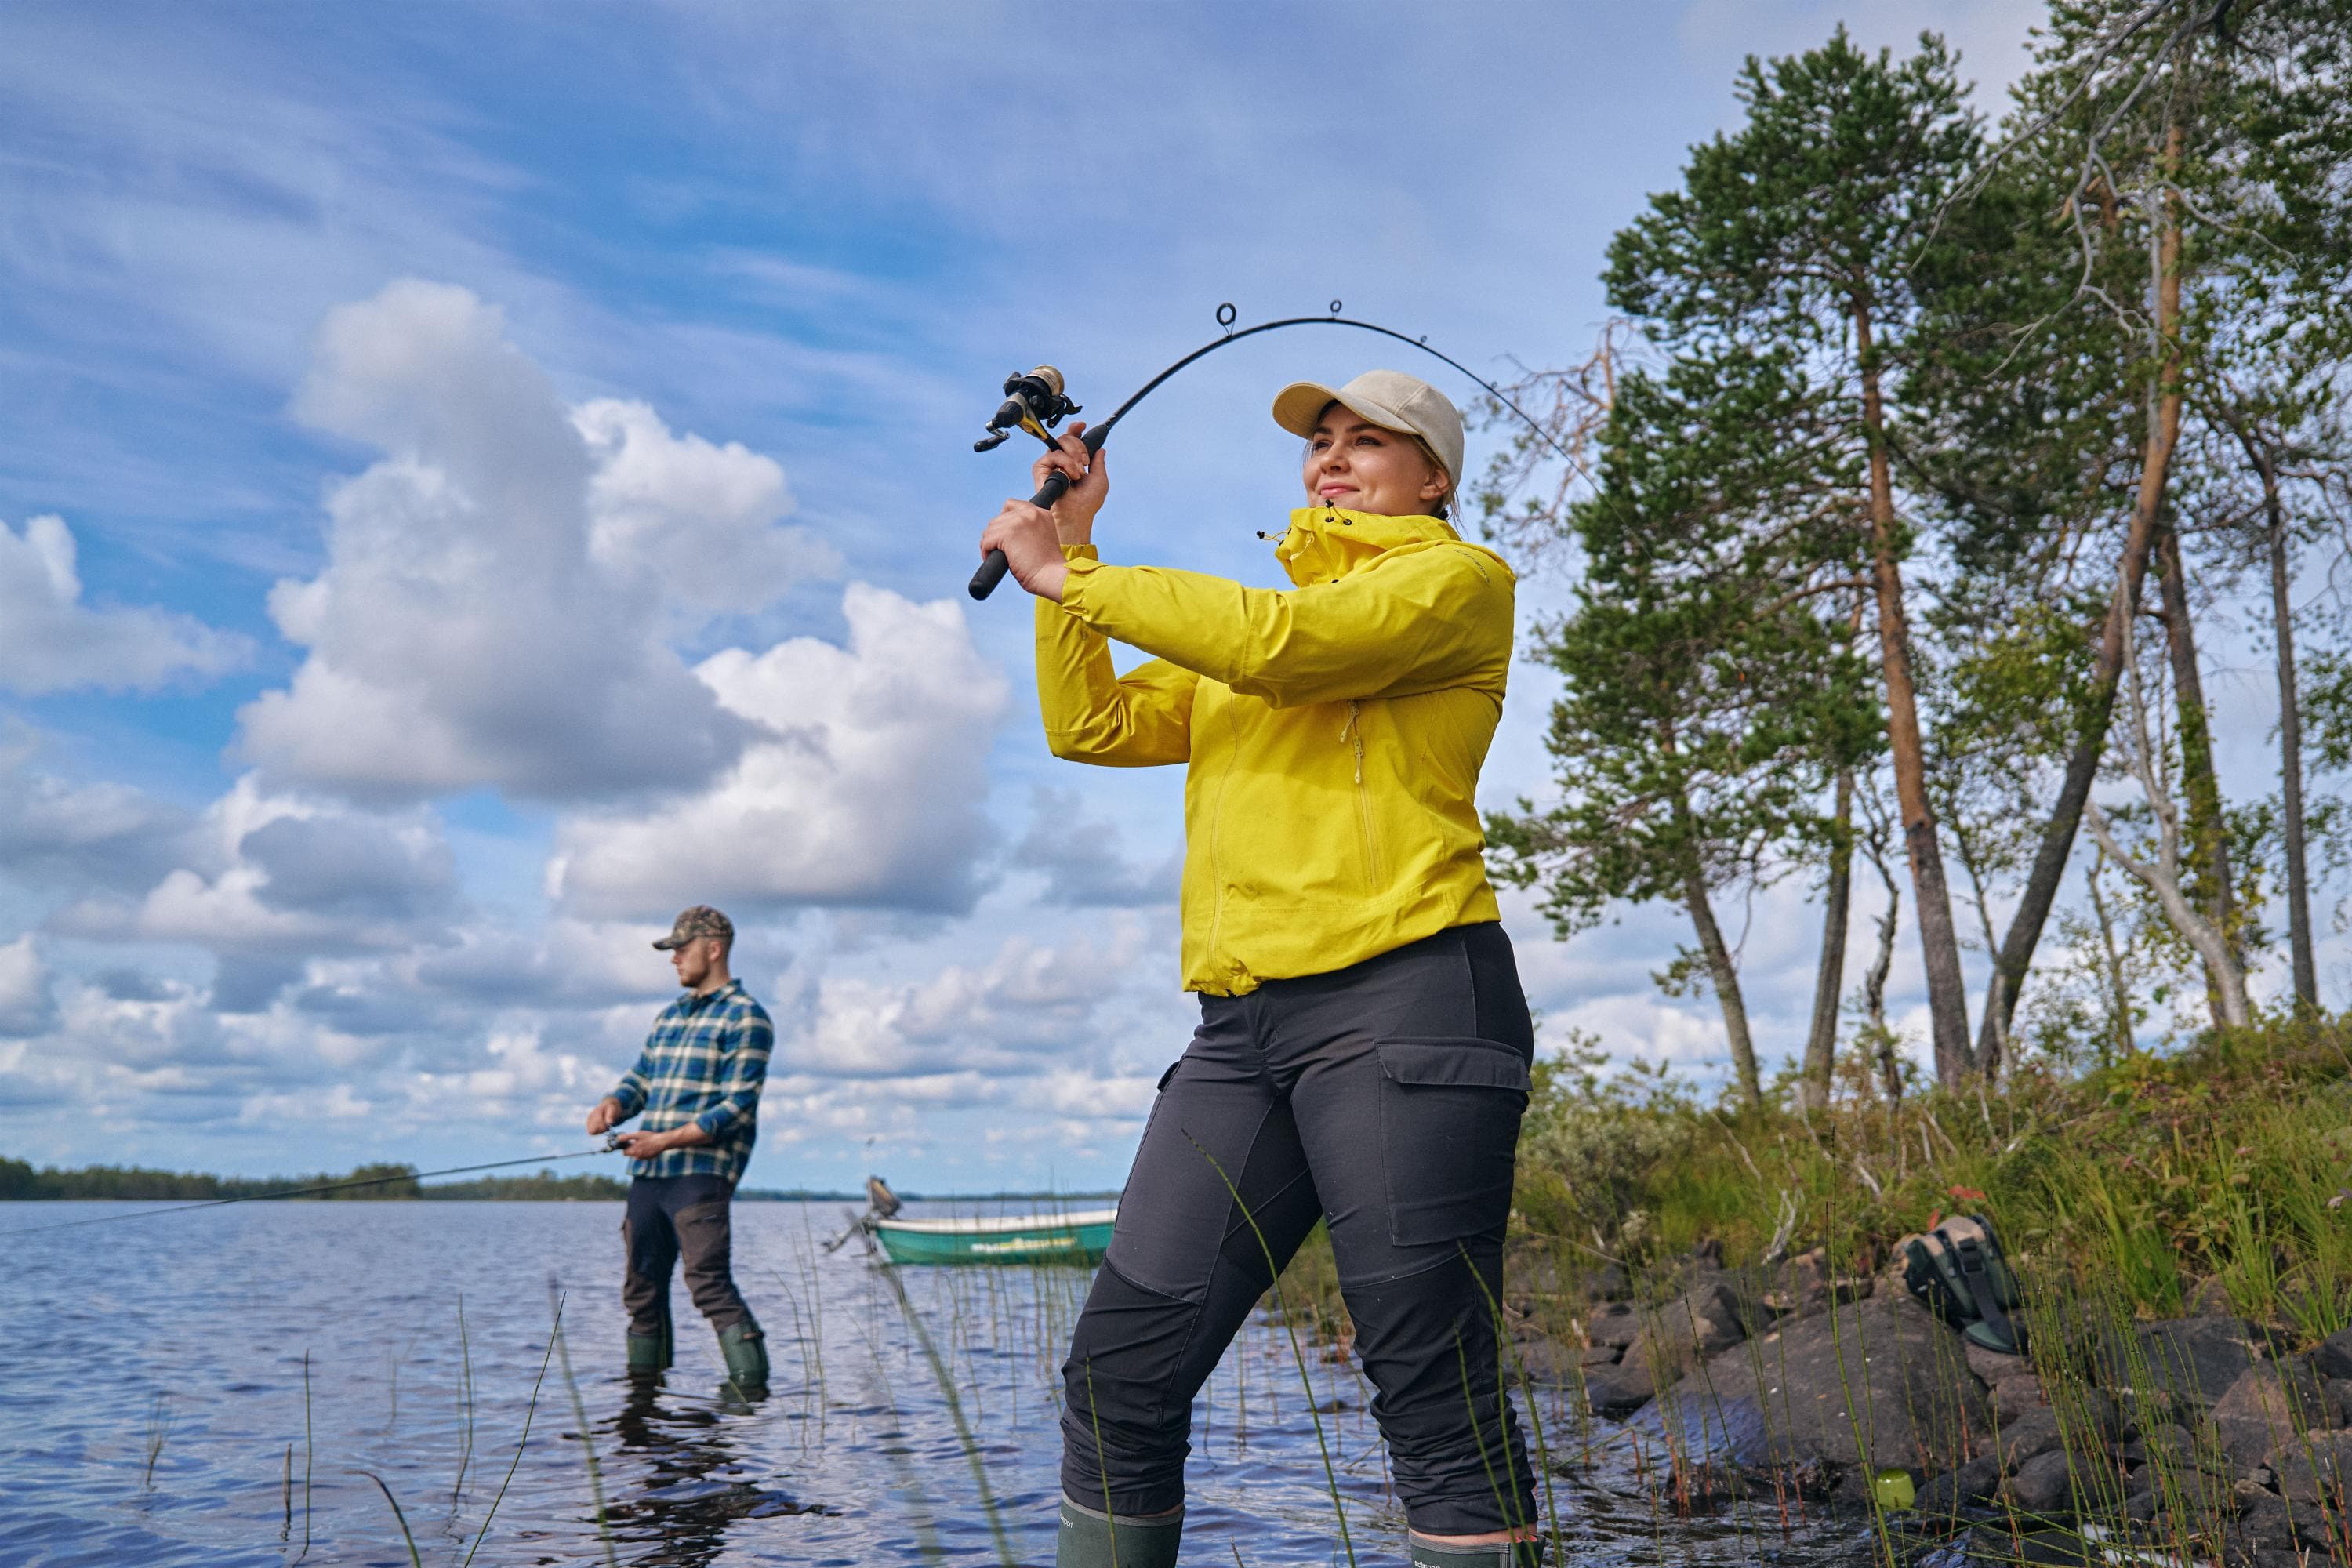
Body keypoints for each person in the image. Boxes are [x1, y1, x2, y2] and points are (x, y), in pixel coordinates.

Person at [977, 371, 1539, 1568]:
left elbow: (1295, 649)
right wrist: (1077, 545)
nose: (1330, 460)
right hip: (1241, 1033)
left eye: (1367, 442)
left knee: (1429, 1390)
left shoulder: (1453, 582)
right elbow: (1096, 726)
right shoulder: (1254, 628)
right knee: (1121, 1376)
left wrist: (1071, 574)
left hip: (1409, 998)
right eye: (1319, 443)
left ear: (1432, 476)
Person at [585, 904, 775, 1394]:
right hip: (649, 1179)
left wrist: (664, 1140)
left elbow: (737, 1107)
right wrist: (612, 1104)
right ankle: (644, 1397)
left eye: (681, 950)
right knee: (641, 1290)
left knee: (708, 1284)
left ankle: (751, 1400)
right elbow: (641, 1080)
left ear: (713, 950)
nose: (674, 960)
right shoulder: (669, 1017)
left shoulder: (747, 1017)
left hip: (700, 1177)